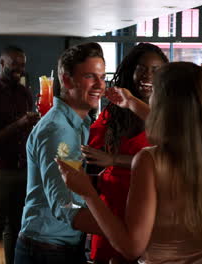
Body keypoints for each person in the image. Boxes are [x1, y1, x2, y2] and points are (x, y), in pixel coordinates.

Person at [57, 62, 202, 263]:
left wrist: (87, 192)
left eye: (154, 93)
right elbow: (175, 130)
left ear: (165, 104)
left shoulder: (149, 161)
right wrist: (132, 102)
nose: (150, 99)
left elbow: (131, 247)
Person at [14, 42, 107, 264]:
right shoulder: (59, 131)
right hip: (47, 251)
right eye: (90, 77)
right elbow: (65, 204)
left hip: (58, 247)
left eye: (102, 77)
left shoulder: (79, 124)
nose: (99, 85)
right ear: (66, 80)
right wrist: (122, 230)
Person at [81, 43, 168, 263]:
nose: (147, 75)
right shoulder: (116, 108)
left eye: (156, 70)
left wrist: (113, 160)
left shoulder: (168, 114)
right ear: (132, 70)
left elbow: (166, 161)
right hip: (112, 196)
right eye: (142, 68)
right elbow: (93, 141)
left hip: (145, 201)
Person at [0, 45, 40, 264]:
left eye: (22, 64)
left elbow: (28, 132)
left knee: (16, 228)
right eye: (15, 64)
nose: (19, 69)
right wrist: (18, 124)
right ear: (2, 63)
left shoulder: (25, 92)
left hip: (23, 171)